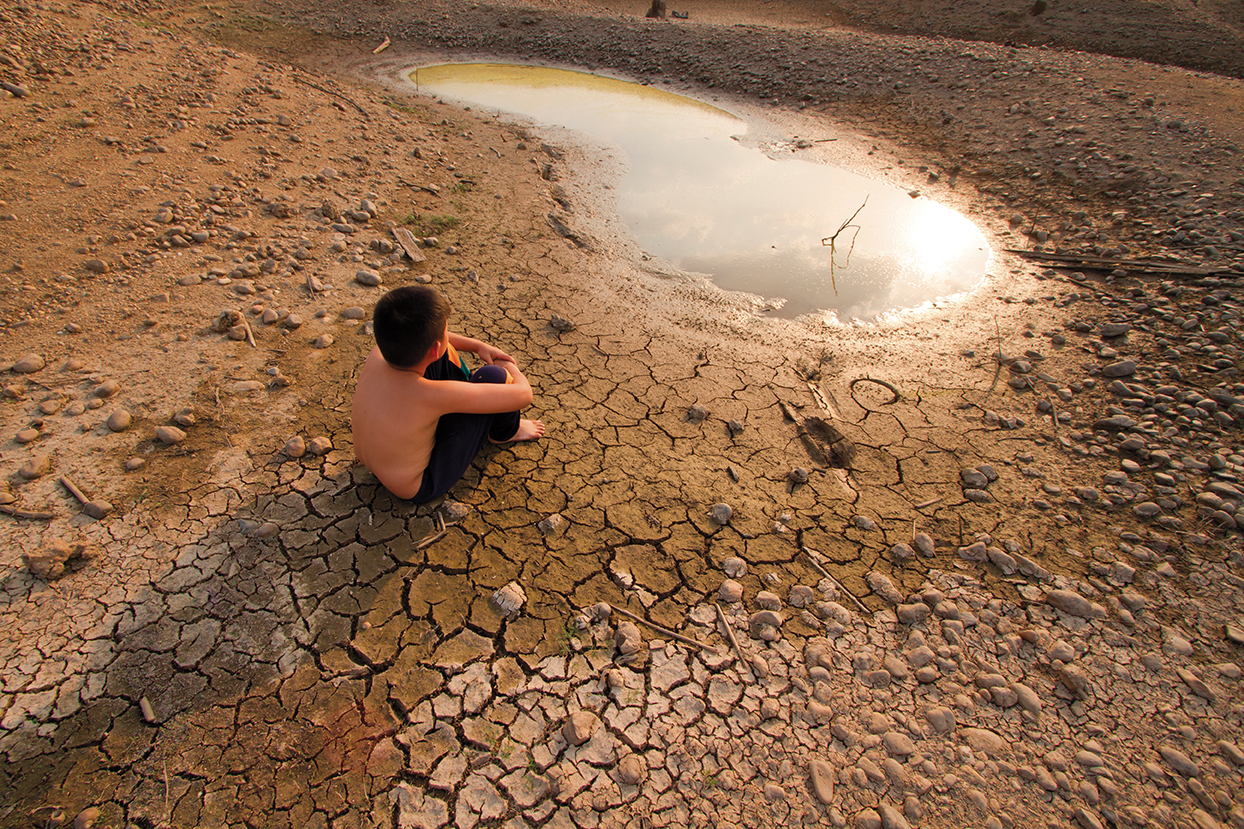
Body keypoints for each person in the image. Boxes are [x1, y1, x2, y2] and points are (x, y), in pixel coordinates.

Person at [351, 286, 545, 502]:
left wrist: (477, 346)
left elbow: (435, 341)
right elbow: (524, 394)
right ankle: (505, 433)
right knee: (495, 376)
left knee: (443, 353)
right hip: (420, 484)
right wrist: (509, 366)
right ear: (434, 346)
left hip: (378, 462)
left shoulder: (379, 352)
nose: (447, 334)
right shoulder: (432, 395)